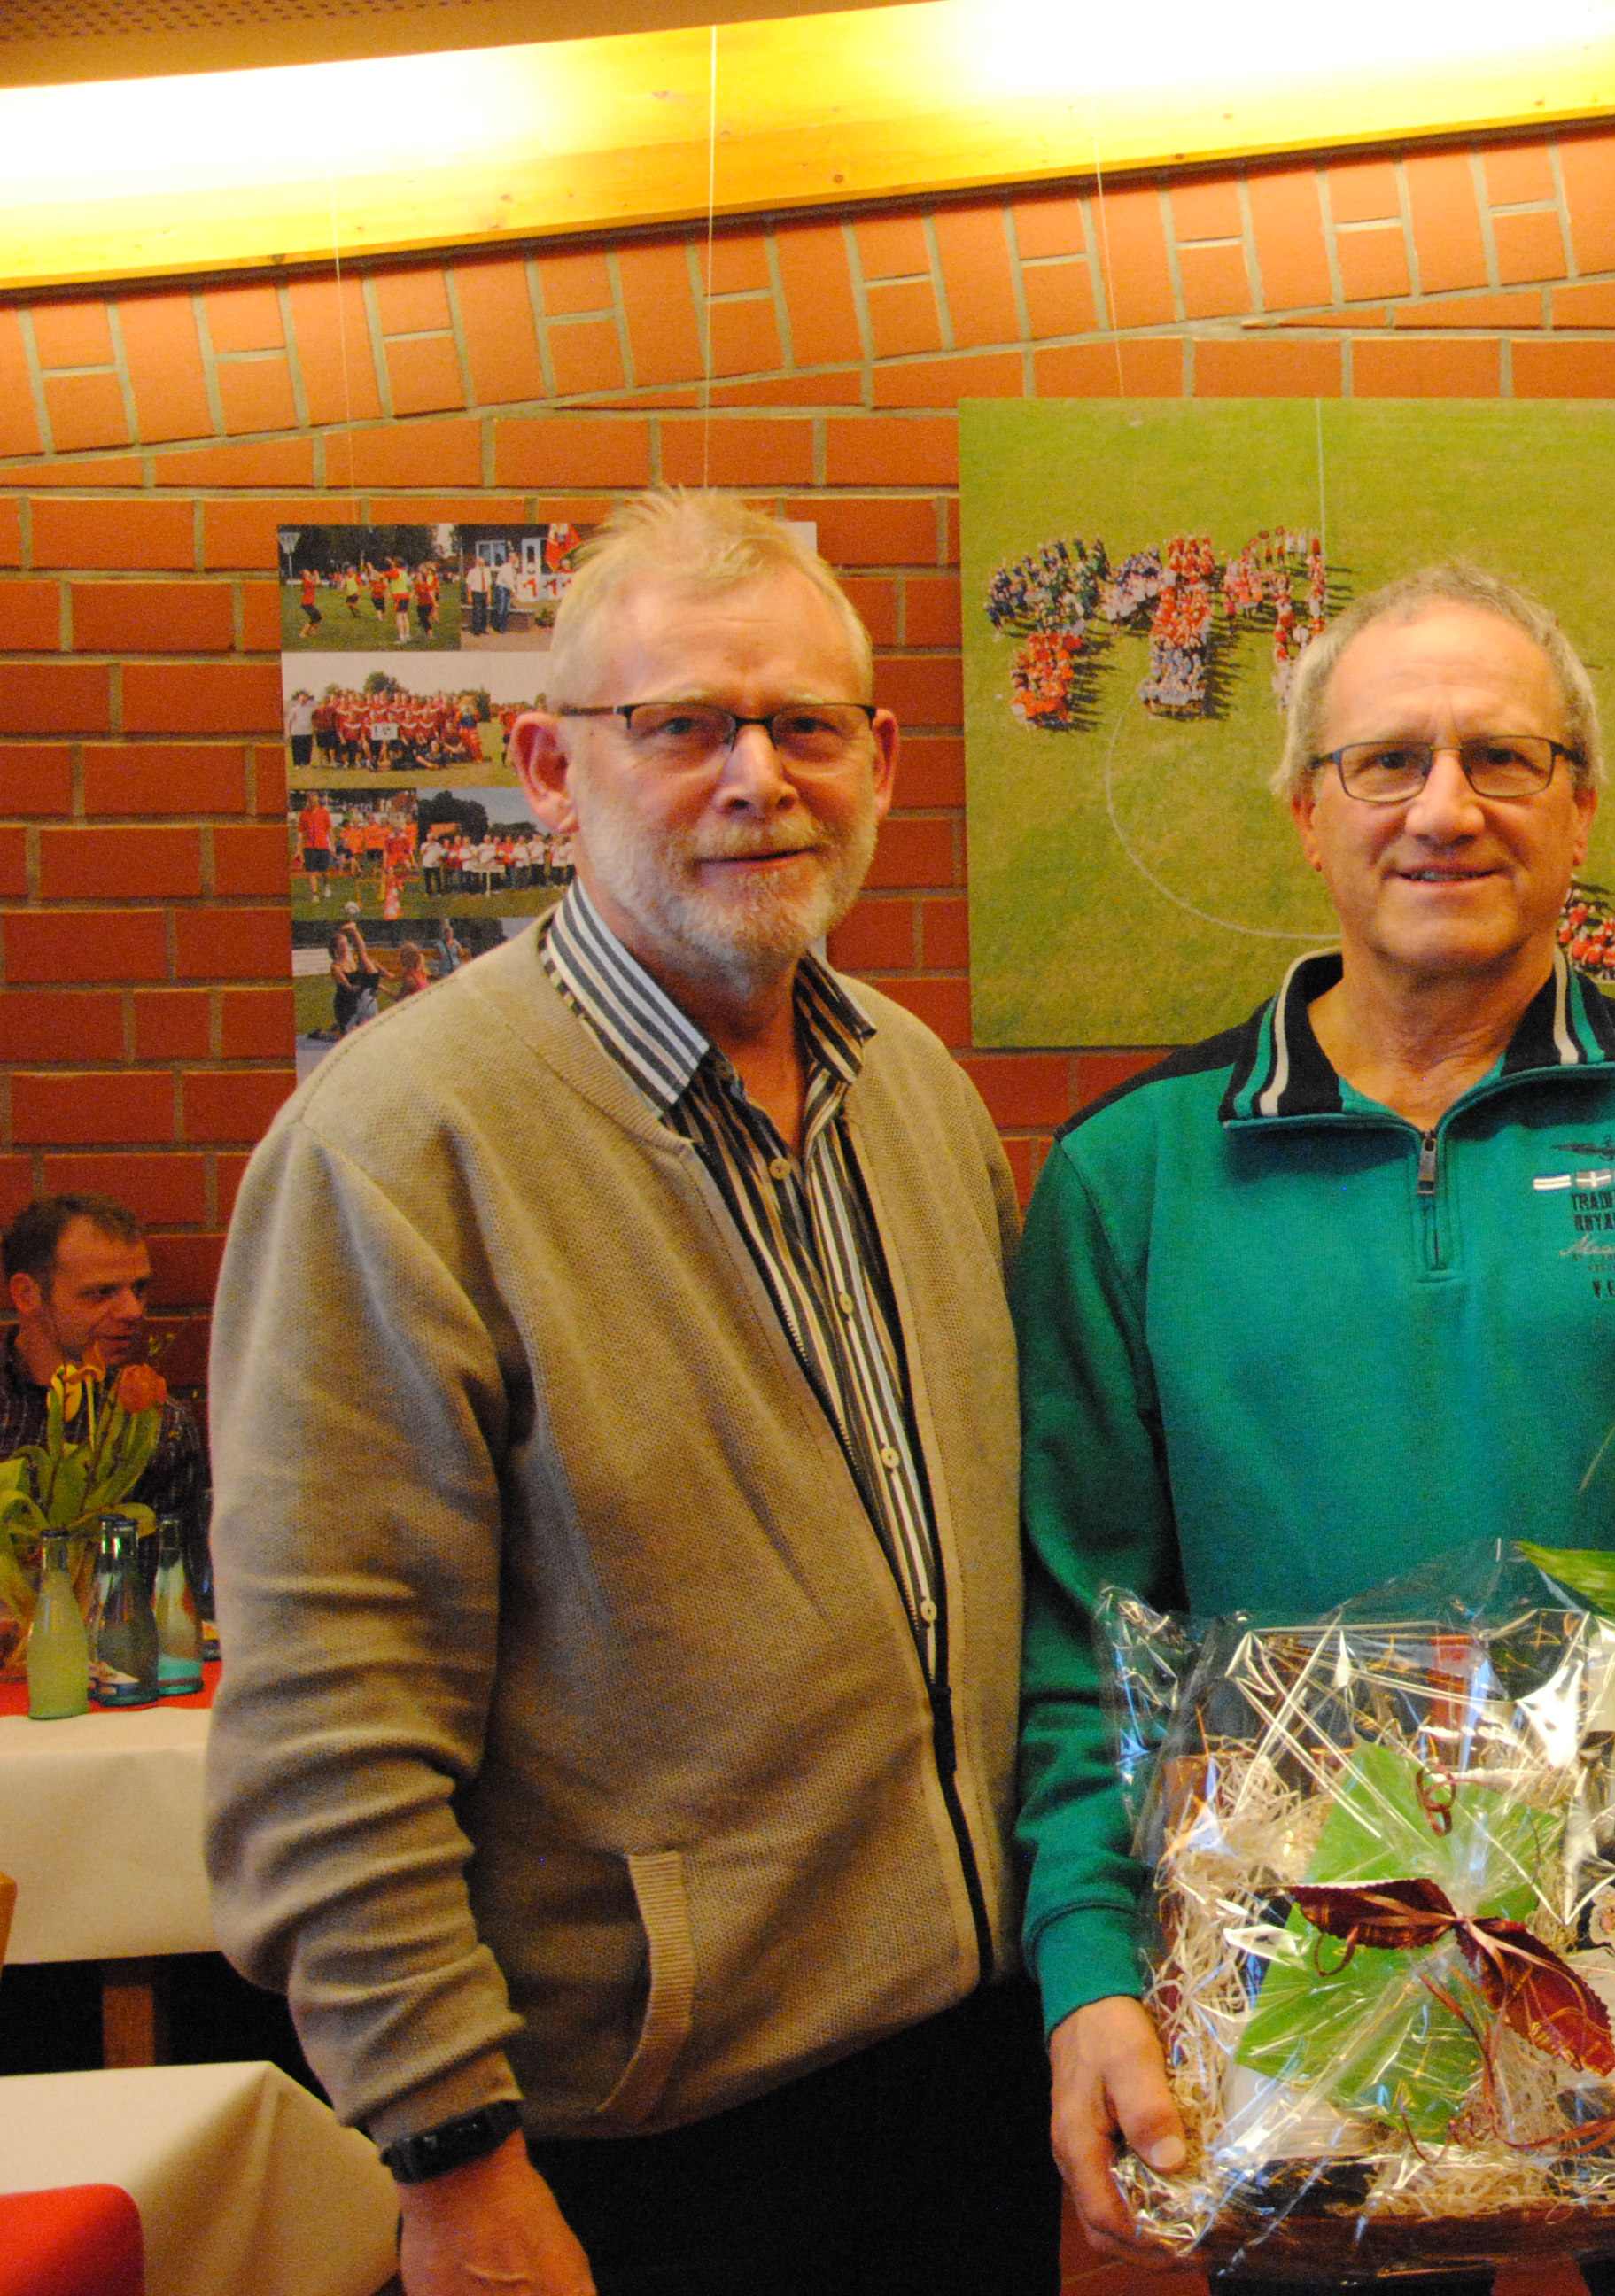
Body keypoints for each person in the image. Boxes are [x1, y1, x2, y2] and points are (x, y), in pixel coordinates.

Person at [204, 491, 1051, 2296]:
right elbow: (327, 1719)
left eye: (806, 724)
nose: (756, 776)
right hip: (629, 2149)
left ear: (881, 760)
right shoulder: (400, 1146)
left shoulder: (917, 1096)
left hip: (956, 2081)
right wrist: (448, 2155)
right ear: (544, 765)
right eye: (681, 725)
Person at [1013, 562, 1615, 2286]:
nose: (1443, 809)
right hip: (1298, 1991)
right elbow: (1076, 1630)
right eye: (1385, 761)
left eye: (1502, 758)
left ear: (1579, 808)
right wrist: (1088, 1972)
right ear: (1302, 811)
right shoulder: (1131, 1178)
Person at [2, 1192, 210, 1563]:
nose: (132, 1310)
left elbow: (171, 1589)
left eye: (139, 1289)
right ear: (27, 1294)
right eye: (101, 1293)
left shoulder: (155, 1420)